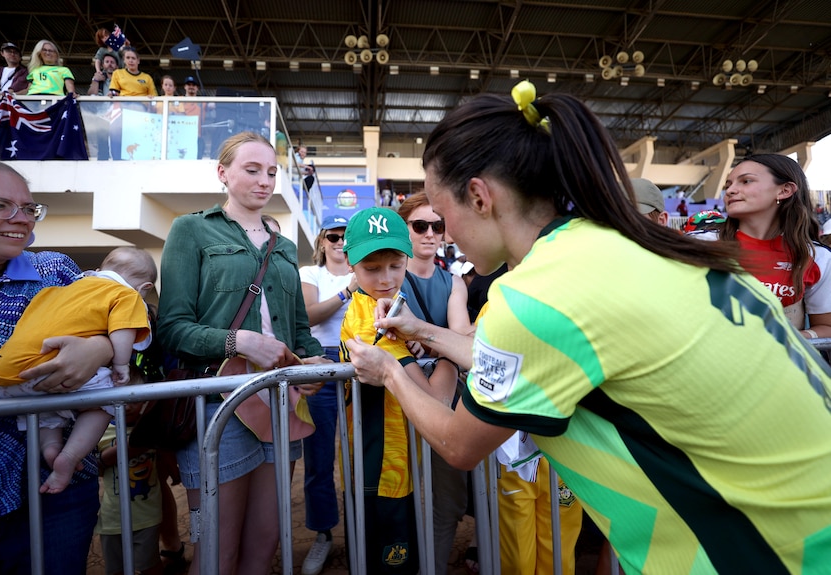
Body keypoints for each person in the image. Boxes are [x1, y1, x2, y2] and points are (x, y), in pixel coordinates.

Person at [344, 81, 831, 573]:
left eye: (440, 212)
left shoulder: (537, 294)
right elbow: (527, 354)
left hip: (765, 554)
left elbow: (458, 443)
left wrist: (390, 372)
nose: (440, 232)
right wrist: (421, 331)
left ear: (478, 196)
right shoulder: (628, 247)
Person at [157, 131, 328, 575]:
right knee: (216, 551)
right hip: (219, 406)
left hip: (279, 404)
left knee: (263, 546)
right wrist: (238, 342)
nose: (264, 180)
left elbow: (301, 329)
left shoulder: (285, 246)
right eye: (252, 170)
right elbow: (172, 328)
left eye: (271, 172)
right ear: (223, 173)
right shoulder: (190, 229)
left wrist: (316, 363)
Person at [0, 155, 115, 574]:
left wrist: (102, 349)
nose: (22, 219)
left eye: (29, 208)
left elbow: (140, 327)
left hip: (54, 491)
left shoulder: (55, 270)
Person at [339, 207, 460, 574]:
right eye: (371, 268)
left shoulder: (385, 308)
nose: (386, 278)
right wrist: (449, 359)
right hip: (382, 471)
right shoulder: (369, 317)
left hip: (394, 464)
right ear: (350, 264)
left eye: (395, 264)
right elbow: (436, 400)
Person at [0, 247, 154, 494]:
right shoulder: (126, 295)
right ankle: (69, 454)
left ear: (99, 271)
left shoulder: (57, 291)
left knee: (46, 410)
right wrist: (120, 365)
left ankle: (50, 448)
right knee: (106, 399)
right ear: (145, 288)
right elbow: (123, 331)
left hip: (4, 376)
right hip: (54, 367)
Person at [396, 191, 472, 574]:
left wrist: (426, 339)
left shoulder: (453, 282)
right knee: (398, 496)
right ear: (404, 227)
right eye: (420, 225)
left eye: (437, 226)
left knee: (445, 497)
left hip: (446, 401)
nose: (430, 234)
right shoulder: (388, 275)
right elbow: (455, 340)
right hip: (396, 404)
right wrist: (444, 343)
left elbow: (462, 341)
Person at [712, 154, 831, 337]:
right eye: (728, 185)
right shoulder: (704, 244)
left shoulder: (816, 256)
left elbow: (826, 328)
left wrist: (789, 337)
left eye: (746, 181)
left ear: (784, 190)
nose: (730, 191)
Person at [298, 214, 355, 575]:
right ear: (322, 241)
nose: (338, 241)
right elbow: (308, 316)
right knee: (319, 457)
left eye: (345, 235)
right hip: (321, 360)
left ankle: (362, 528)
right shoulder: (311, 273)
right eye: (332, 235)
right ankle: (323, 534)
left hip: (359, 356)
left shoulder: (366, 268)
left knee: (361, 453)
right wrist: (347, 291)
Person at [96, 367, 164, 575]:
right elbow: (95, 469)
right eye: (118, 400)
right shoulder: (100, 430)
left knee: (149, 565)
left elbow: (164, 456)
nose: (125, 408)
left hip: (148, 514)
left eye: (132, 400)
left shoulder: (151, 428)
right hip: (112, 517)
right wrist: (116, 454)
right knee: (115, 568)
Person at [108, 46, 157, 160]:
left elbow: (154, 98)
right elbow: (114, 92)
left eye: (133, 58)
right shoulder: (118, 73)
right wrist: (111, 94)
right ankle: (117, 161)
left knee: (138, 140)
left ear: (138, 61)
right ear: (124, 60)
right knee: (118, 138)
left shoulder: (147, 77)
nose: (131, 60)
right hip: (122, 109)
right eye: (128, 58)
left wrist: (150, 98)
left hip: (140, 111)